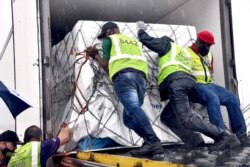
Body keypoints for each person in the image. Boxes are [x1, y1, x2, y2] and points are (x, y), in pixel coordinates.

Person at [136, 21, 241, 151]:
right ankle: (194, 141)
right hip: (189, 82)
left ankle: (223, 135)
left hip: (176, 82)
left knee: (186, 118)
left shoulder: (167, 44)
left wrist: (141, 30)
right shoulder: (182, 51)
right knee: (167, 116)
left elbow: (148, 41)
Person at [85, 21, 164, 159]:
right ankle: (148, 142)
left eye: (104, 34)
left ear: (110, 31)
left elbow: (107, 66)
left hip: (124, 77)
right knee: (128, 118)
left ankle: (153, 141)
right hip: (141, 79)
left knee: (132, 108)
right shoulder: (133, 41)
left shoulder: (110, 40)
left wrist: (95, 54)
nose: (104, 37)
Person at [186, 30, 250, 147]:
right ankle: (222, 136)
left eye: (210, 45)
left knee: (232, 98)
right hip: (194, 85)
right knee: (213, 98)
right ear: (198, 42)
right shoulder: (186, 53)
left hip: (209, 85)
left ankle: (242, 136)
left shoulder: (209, 55)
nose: (208, 48)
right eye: (206, 45)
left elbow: (210, 72)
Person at [8, 125, 73, 167]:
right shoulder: (41, 147)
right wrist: (66, 128)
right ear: (39, 139)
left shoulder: (17, 152)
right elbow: (65, 136)